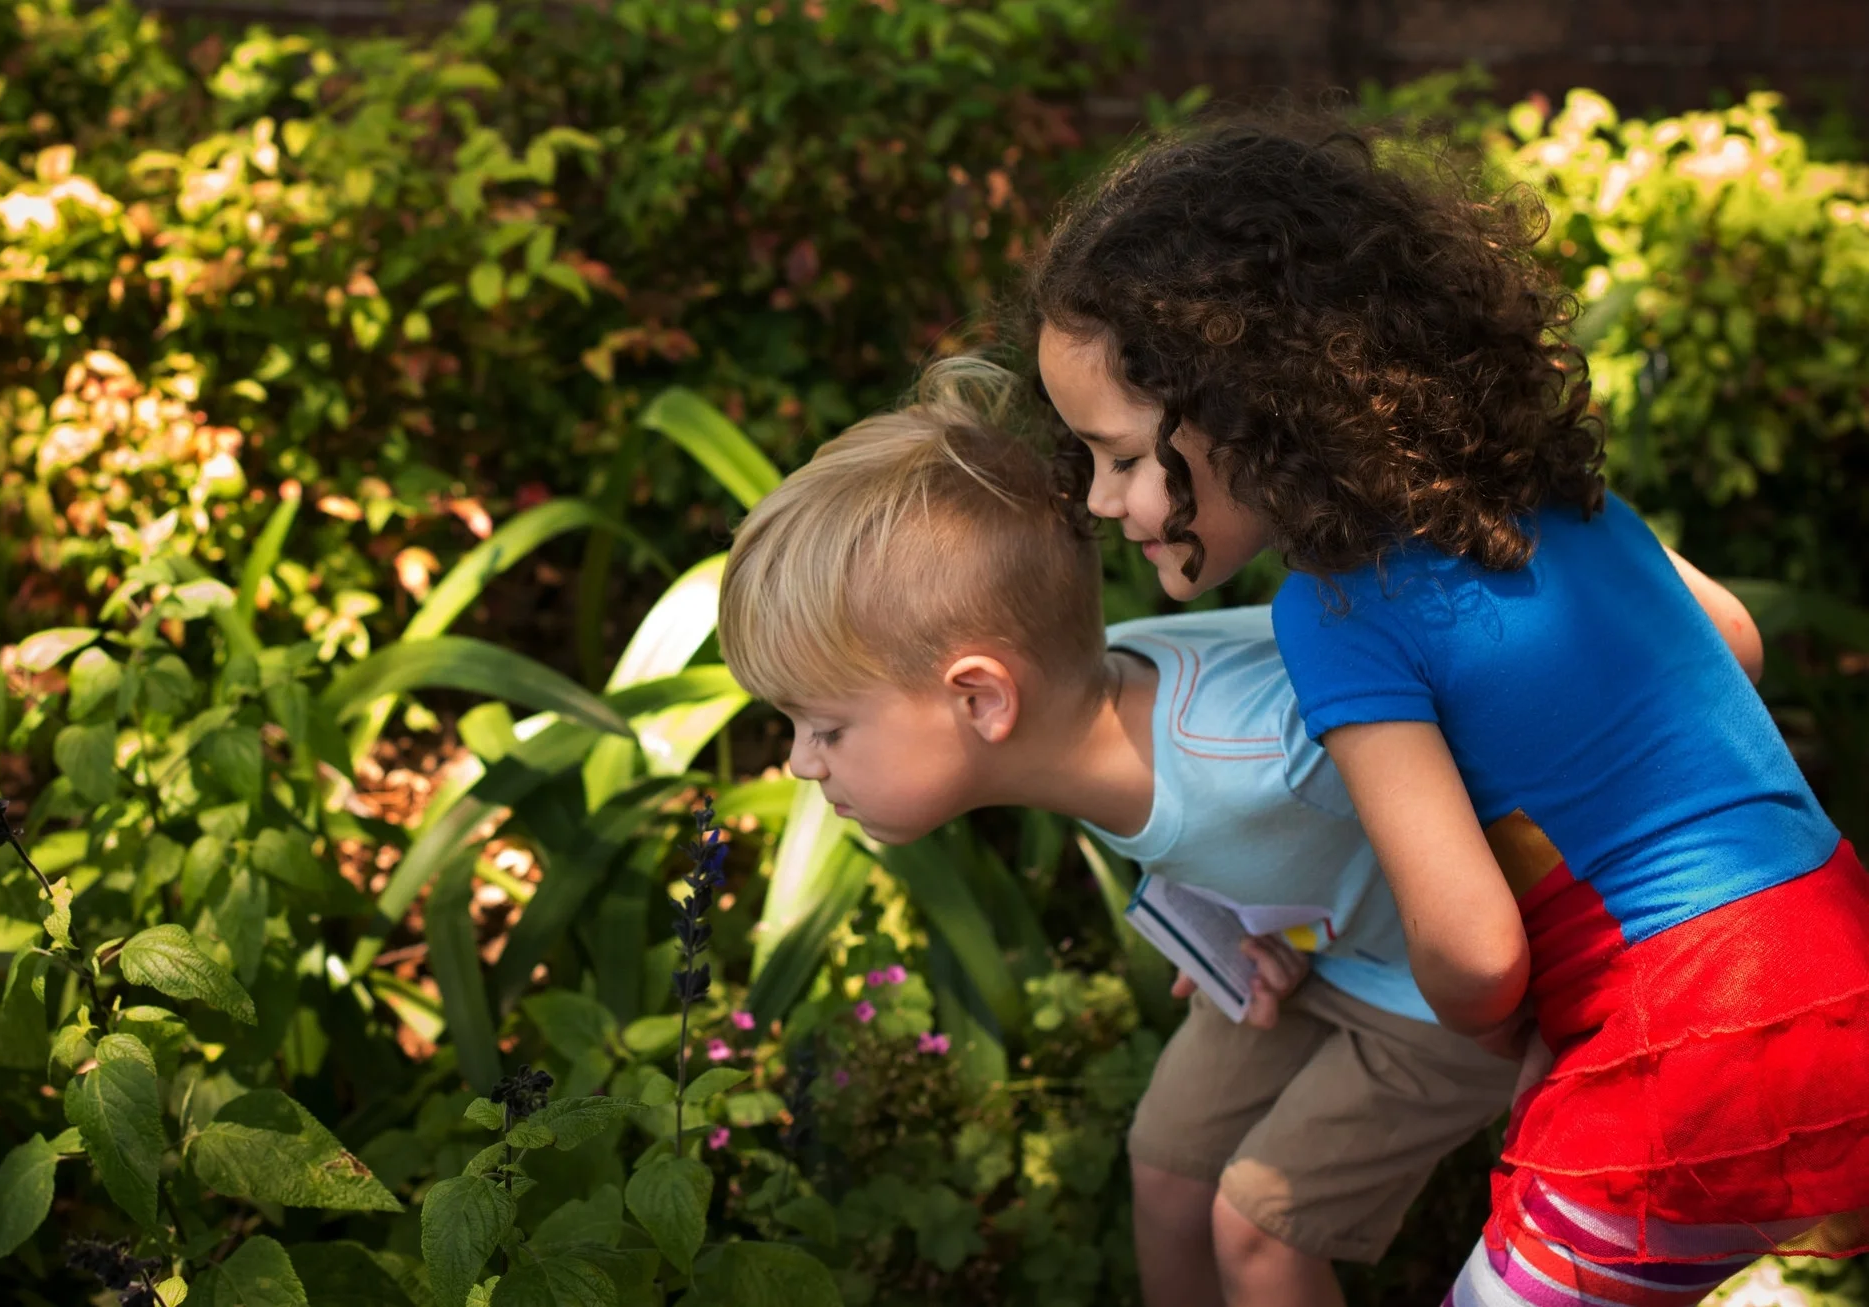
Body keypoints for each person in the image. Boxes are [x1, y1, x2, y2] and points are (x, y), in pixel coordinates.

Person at [1023, 114, 1867, 1306]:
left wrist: (1502, 1041)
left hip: (1682, 1038)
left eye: (1114, 455)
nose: (1105, 501)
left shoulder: (1339, 608)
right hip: (1835, 961)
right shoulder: (1546, 492)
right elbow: (1733, 636)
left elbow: (1471, 949)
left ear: (1242, 406)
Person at [716, 361, 1519, 1307]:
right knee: (1169, 1164)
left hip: (1443, 1002)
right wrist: (1248, 917)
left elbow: (1488, 719)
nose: (804, 762)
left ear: (980, 698)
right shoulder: (1093, 720)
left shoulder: (1260, 743)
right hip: (1314, 957)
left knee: (1257, 1227)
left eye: (827, 727)